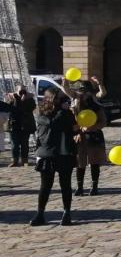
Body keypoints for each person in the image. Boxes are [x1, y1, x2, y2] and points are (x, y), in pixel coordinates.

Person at [31, 88, 76, 226]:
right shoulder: (40, 111)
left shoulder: (66, 113)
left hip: (64, 152)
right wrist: (63, 110)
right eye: (59, 98)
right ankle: (40, 213)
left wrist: (67, 112)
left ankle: (66, 213)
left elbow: (73, 127)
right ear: (51, 98)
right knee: (45, 186)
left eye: (63, 98)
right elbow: (52, 123)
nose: (62, 100)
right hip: (47, 153)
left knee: (65, 185)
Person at [71, 82, 107, 196]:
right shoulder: (75, 109)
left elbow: (103, 122)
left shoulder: (96, 108)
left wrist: (92, 127)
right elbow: (73, 123)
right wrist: (77, 128)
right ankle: (80, 187)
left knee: (94, 162)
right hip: (80, 137)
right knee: (80, 163)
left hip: (94, 137)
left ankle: (94, 186)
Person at [7, 86, 35, 167]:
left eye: (24, 90)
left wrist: (25, 100)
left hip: (25, 124)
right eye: (20, 90)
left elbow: (31, 108)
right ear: (16, 91)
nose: (22, 92)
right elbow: (11, 109)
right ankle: (15, 161)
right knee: (14, 144)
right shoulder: (12, 98)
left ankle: (24, 160)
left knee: (24, 144)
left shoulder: (29, 99)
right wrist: (14, 98)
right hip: (14, 124)